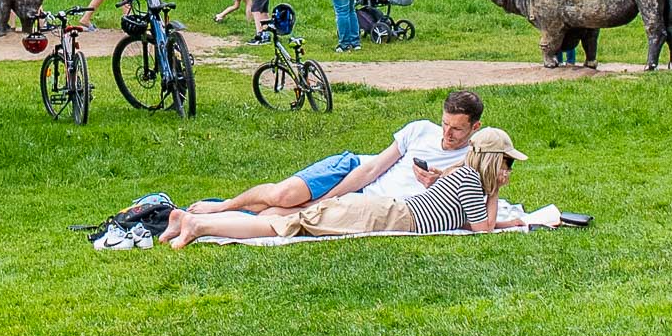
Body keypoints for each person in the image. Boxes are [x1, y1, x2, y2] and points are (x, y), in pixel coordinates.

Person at [164, 127, 526, 248]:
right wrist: (494, 192)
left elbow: (472, 221)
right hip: (381, 214)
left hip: (383, 212)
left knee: (287, 220)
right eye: (507, 164)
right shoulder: (471, 181)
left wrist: (510, 220)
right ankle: (200, 224)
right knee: (284, 224)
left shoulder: (464, 179)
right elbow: (482, 229)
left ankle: (193, 220)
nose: (509, 171)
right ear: (492, 161)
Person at [187, 91, 486, 214]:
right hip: (352, 169)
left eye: (457, 129)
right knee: (285, 197)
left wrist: (440, 181)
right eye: (445, 124)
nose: (447, 134)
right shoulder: (420, 130)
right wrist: (328, 198)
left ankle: (216, 214)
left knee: (280, 215)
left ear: (475, 127)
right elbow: (372, 169)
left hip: (367, 201)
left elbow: (475, 188)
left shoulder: (476, 154)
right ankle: (223, 207)